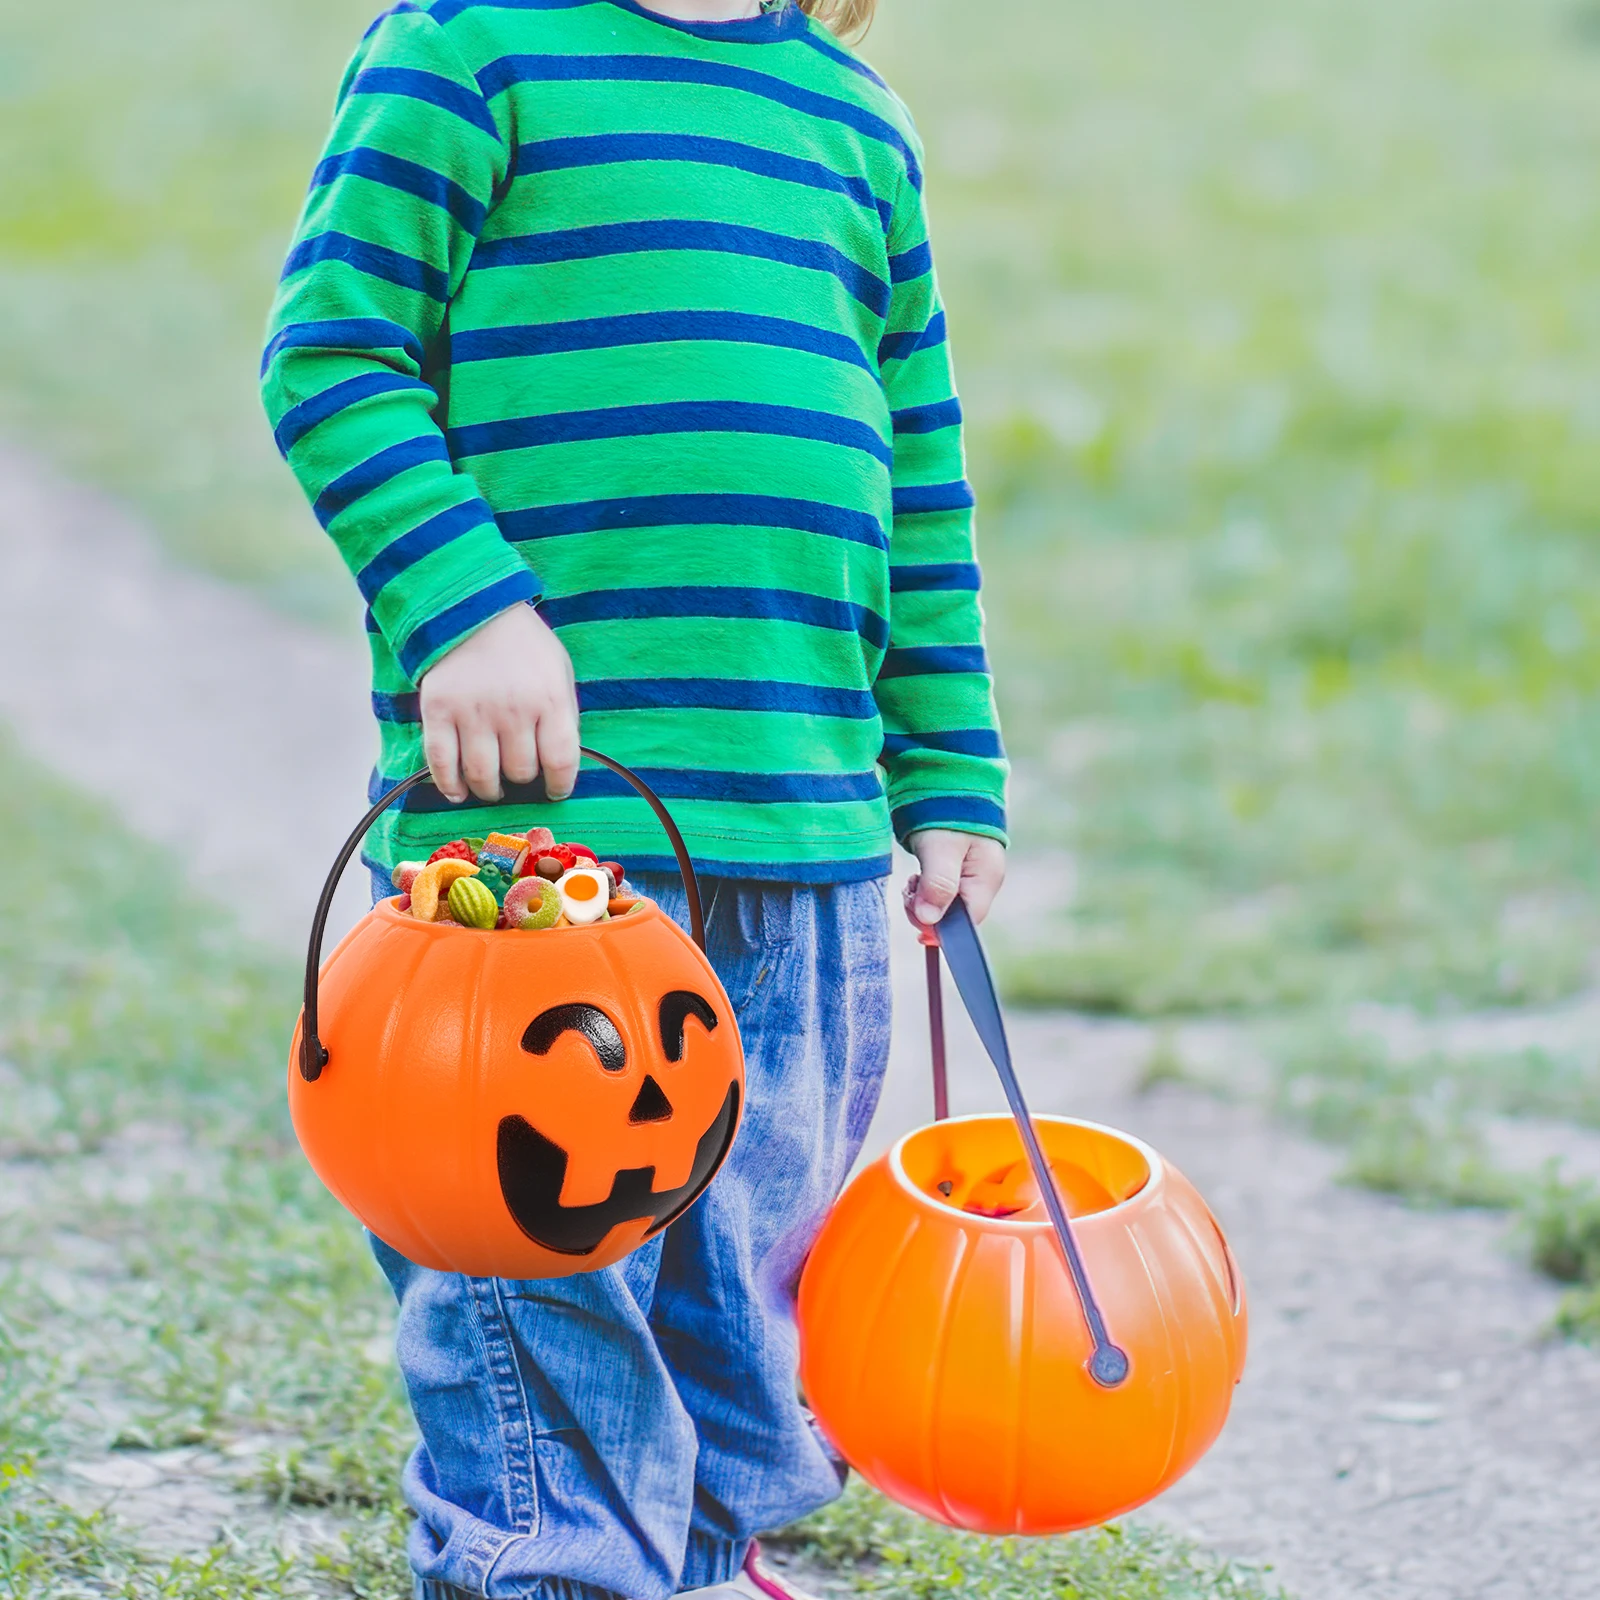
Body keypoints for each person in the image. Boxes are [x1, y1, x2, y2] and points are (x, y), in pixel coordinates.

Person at [261, 0, 1007, 1594]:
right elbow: (335, 353)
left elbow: (918, 473)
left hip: (799, 829)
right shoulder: (470, 53)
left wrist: (948, 766)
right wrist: (466, 604)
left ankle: (699, 1551)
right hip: (542, 836)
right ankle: (551, 1562)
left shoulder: (855, 122)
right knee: (541, 1251)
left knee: (748, 1272)